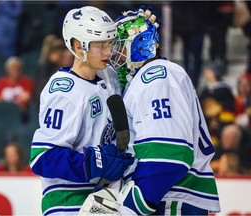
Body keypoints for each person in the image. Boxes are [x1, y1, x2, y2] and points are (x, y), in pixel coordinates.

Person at [108, 6, 221, 215]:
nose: (117, 57)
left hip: (172, 200)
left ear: (139, 45)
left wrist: (130, 208)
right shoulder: (152, 77)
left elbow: (169, 156)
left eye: (120, 48)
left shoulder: (156, 76)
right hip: (168, 197)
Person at [29, 6, 134, 215]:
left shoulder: (108, 77)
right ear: (79, 47)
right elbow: (42, 157)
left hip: (104, 199)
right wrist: (92, 162)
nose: (108, 51)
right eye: (100, 45)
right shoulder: (64, 92)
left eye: (109, 43)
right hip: (68, 203)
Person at [0, 56, 34, 123]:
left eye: (18, 68)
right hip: (3, 111)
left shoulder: (27, 81)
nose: (16, 70)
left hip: (20, 113)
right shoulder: (1, 82)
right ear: (7, 70)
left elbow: (28, 97)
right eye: (13, 68)